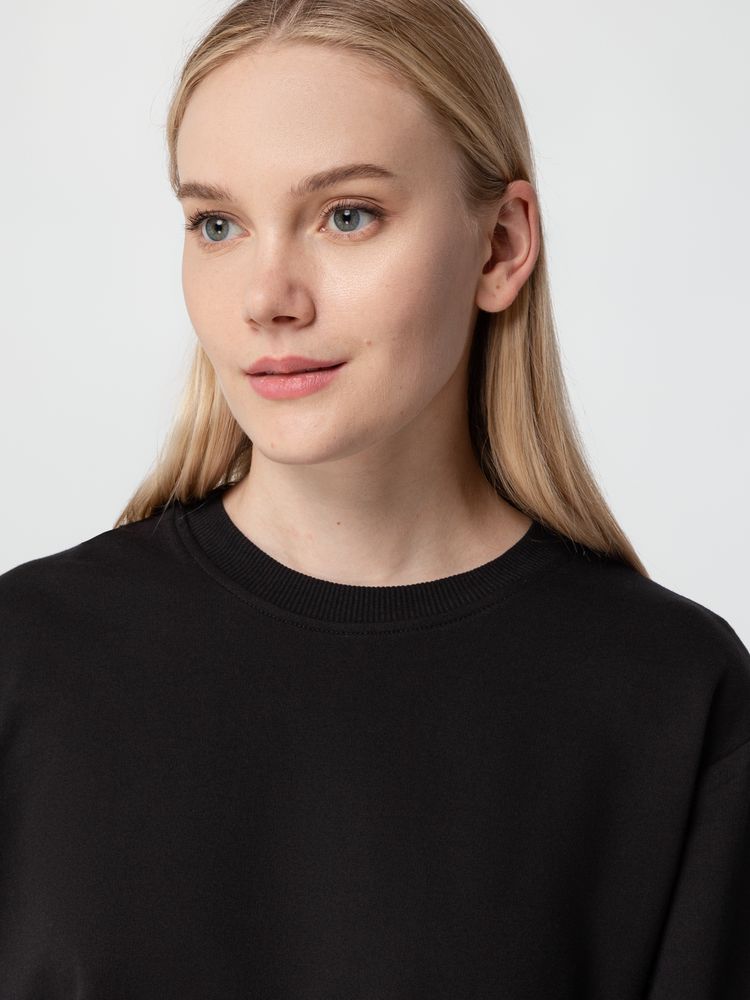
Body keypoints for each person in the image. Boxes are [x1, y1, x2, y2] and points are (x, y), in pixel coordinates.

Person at [1, 0, 748, 997]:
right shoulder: (29, 656)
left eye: (346, 215)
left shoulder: (674, 698)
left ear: (500, 247)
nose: (268, 297)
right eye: (218, 224)